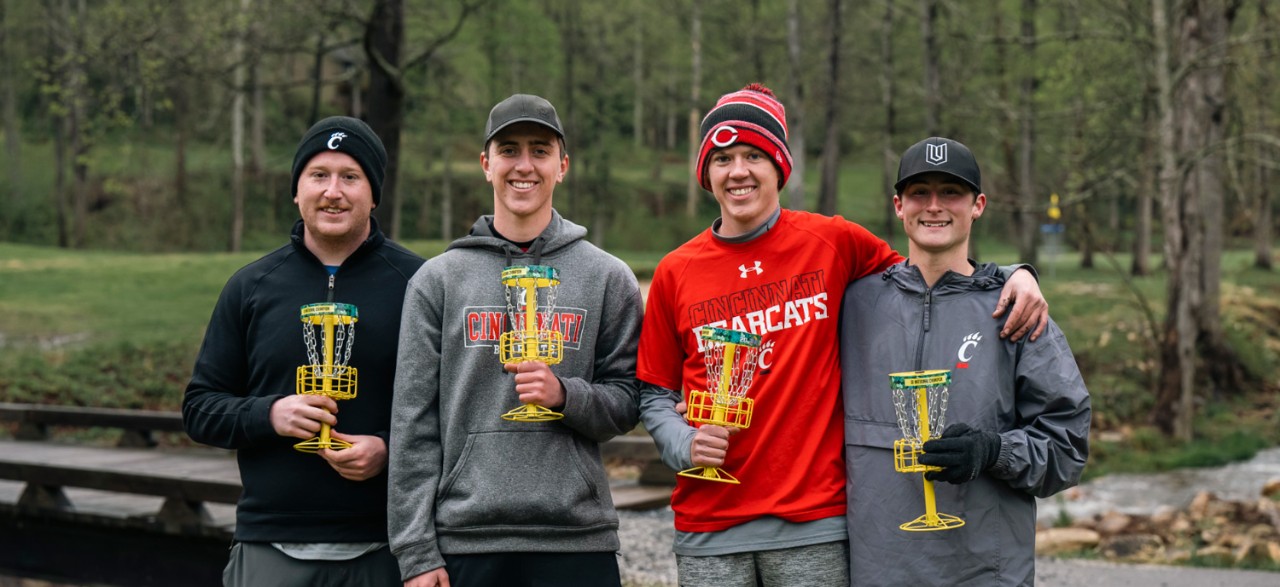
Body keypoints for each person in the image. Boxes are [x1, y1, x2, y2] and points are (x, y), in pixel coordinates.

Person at [636, 84, 1050, 587]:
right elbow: (654, 391)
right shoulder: (676, 271)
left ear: (779, 169)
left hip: (814, 522)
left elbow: (931, 274)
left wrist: (1013, 273)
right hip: (710, 521)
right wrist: (682, 442)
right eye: (722, 159)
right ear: (706, 174)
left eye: (753, 156)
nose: (738, 171)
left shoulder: (833, 242)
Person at [388, 94, 644, 587]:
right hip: (466, 541)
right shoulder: (438, 280)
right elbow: (412, 422)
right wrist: (417, 551)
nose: (523, 165)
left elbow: (628, 401)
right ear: (486, 164)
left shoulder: (607, 277)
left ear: (562, 166)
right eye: (509, 149)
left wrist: (566, 396)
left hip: (576, 539)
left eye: (540, 150)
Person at [182, 116, 425, 586]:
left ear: (373, 194)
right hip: (272, 544)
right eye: (319, 175)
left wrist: (390, 451)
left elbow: (453, 411)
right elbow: (200, 409)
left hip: (388, 547)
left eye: (350, 177)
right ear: (297, 190)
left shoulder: (421, 284)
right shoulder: (251, 286)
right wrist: (270, 415)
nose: (333, 191)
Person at [840, 136, 1091, 586]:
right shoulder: (853, 305)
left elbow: (1068, 447)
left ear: (978, 205)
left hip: (984, 570)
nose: (934, 206)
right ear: (898, 205)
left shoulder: (1017, 311)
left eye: (951, 193)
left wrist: (995, 451)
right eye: (920, 192)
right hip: (876, 569)